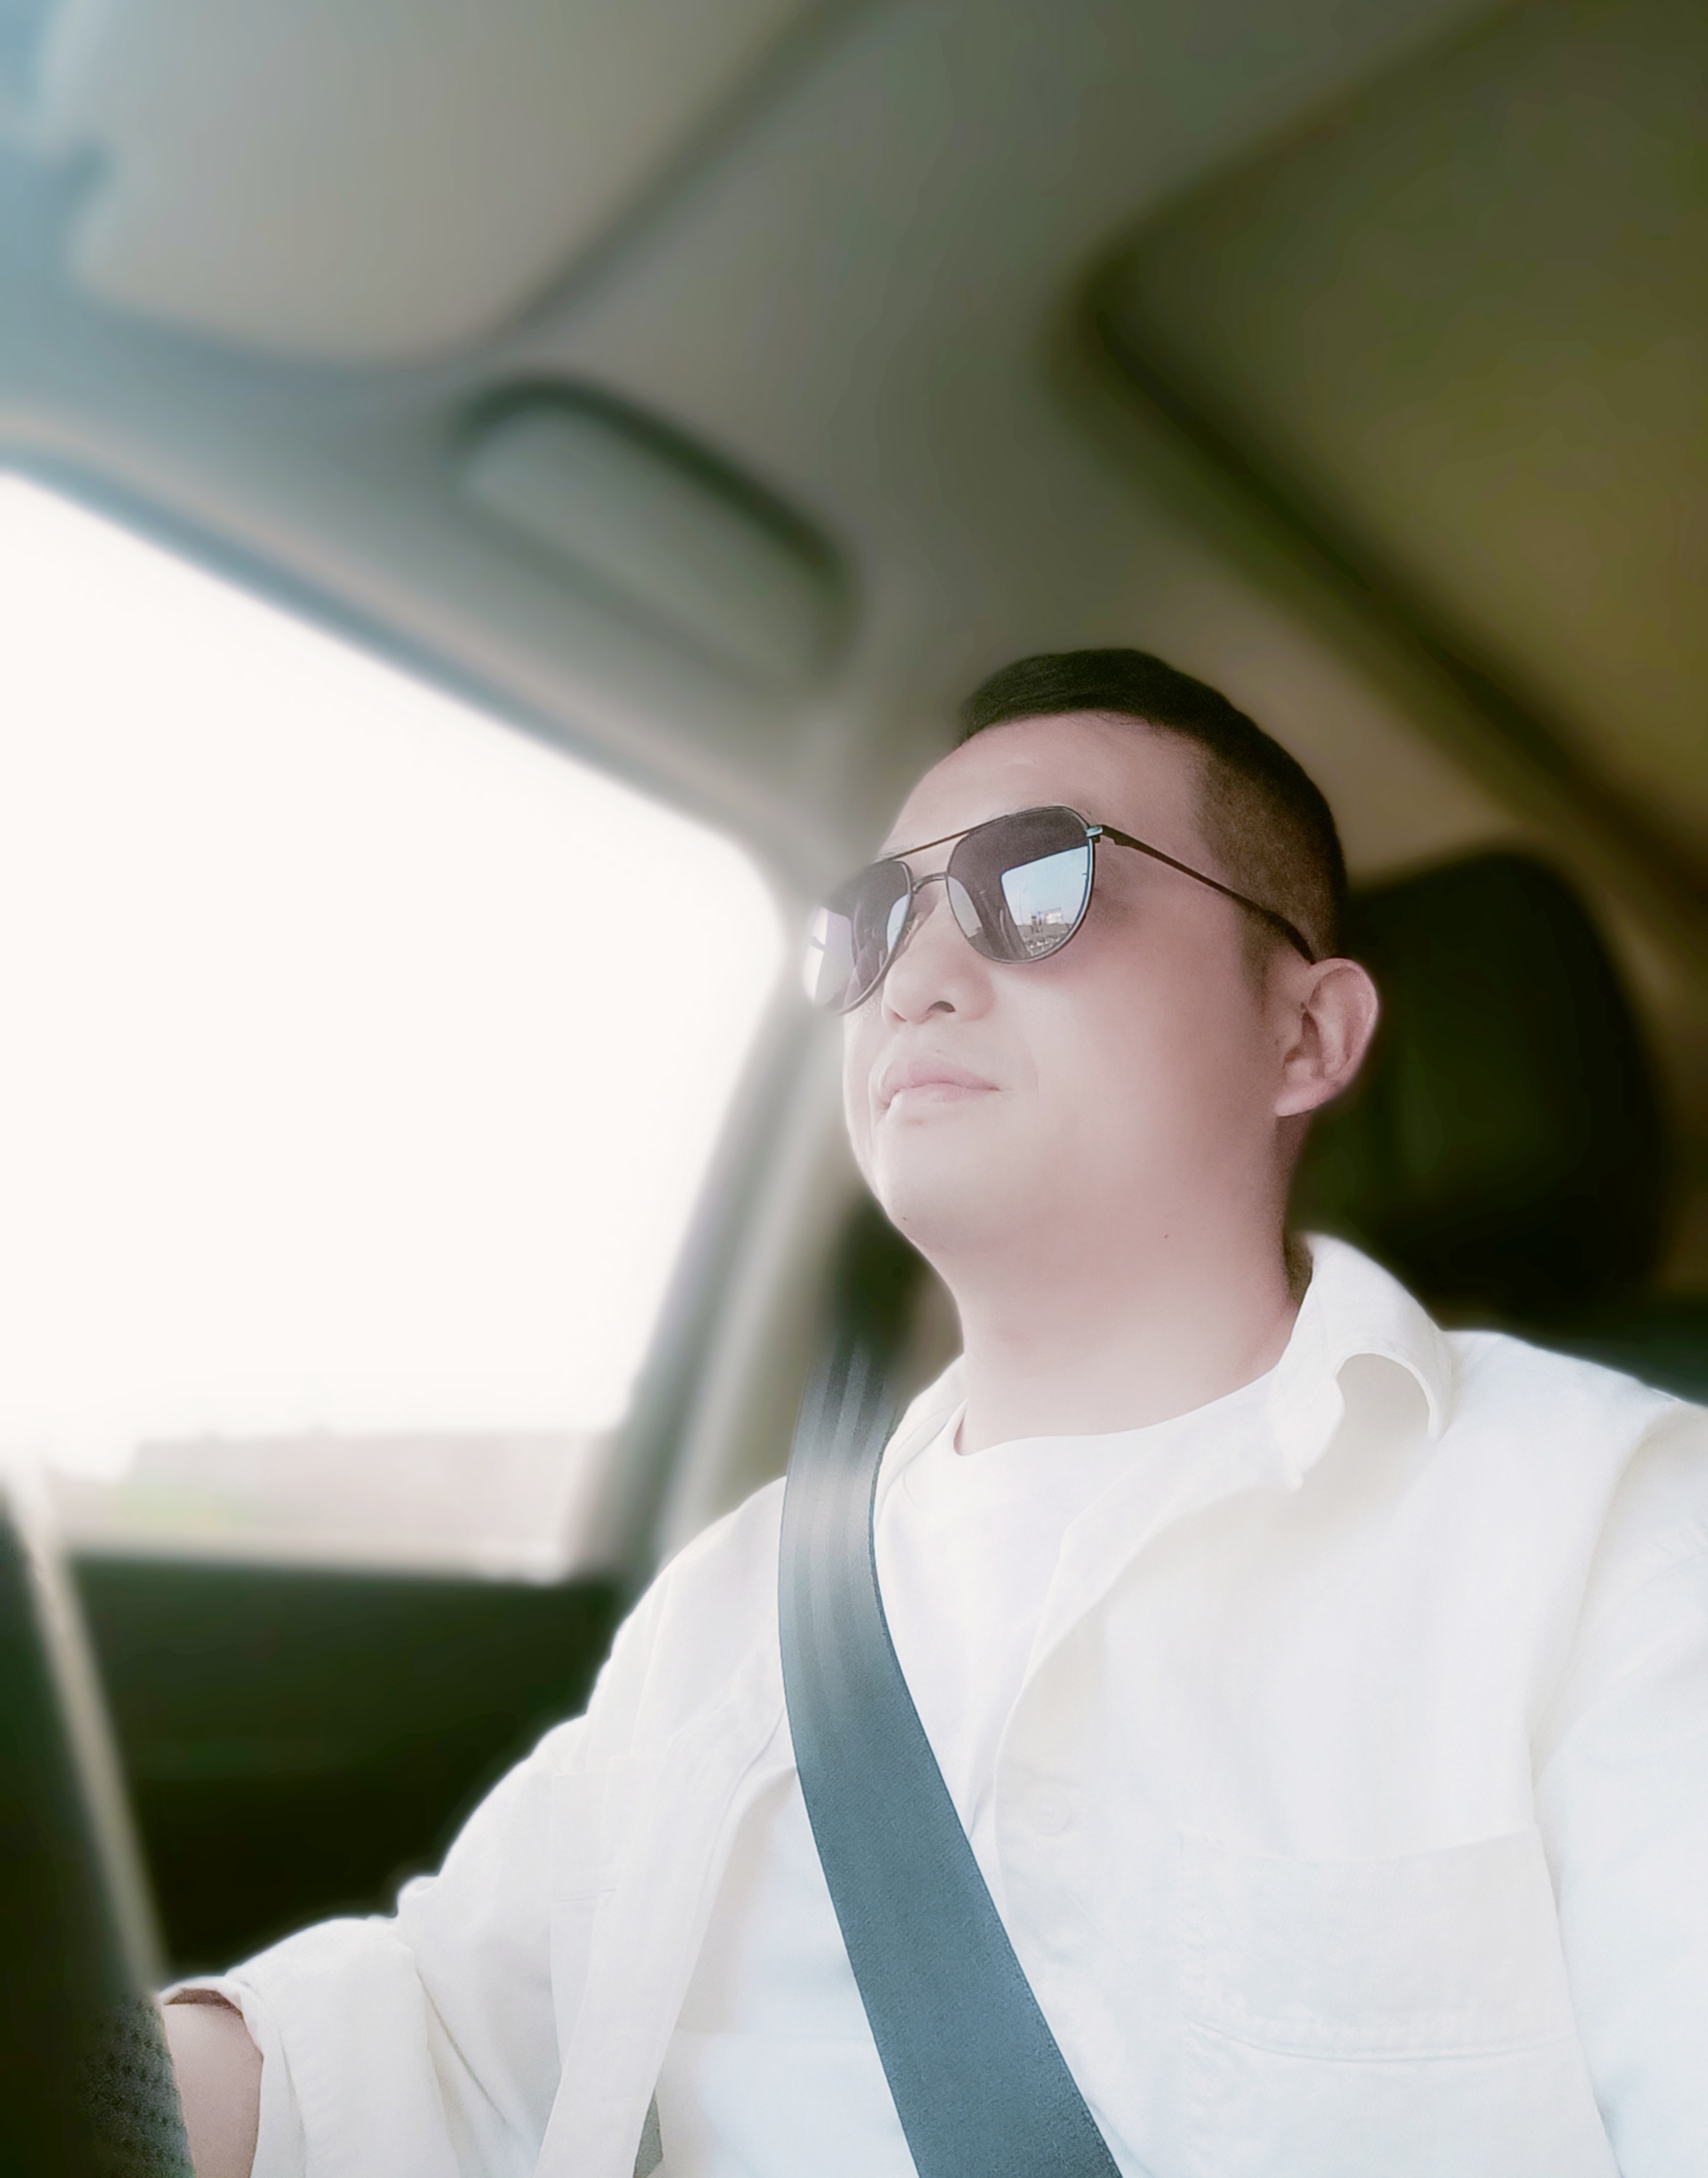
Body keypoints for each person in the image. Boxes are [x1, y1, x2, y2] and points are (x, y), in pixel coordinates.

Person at [163, 649, 1708, 2178]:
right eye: (872, 922)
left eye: (1035, 882)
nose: (913, 977)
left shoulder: (1618, 1533)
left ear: (1305, 1035)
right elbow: (423, 2052)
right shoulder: (733, 1604)